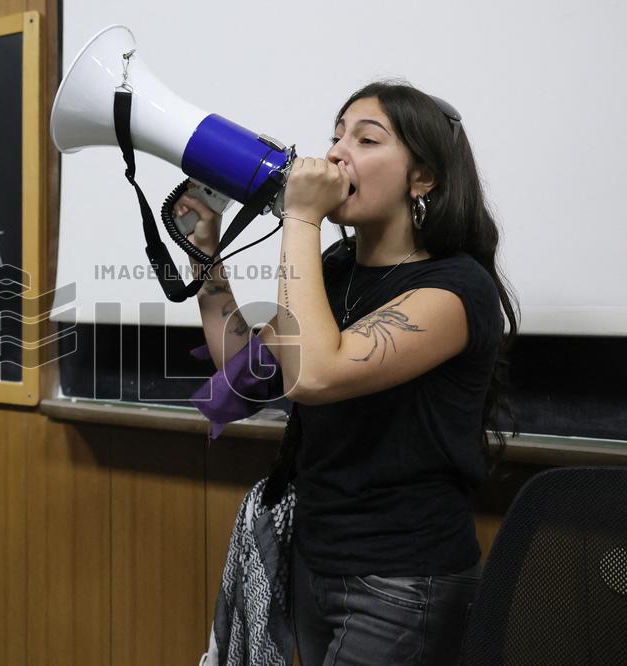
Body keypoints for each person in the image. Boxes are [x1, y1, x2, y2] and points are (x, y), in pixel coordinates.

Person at [181, 81, 518, 665]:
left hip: (402, 584)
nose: (336, 153)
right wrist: (203, 254)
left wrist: (301, 216)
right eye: (336, 137)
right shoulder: (337, 270)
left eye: (366, 139)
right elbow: (243, 374)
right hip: (317, 564)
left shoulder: (457, 289)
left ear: (422, 178)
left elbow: (314, 375)